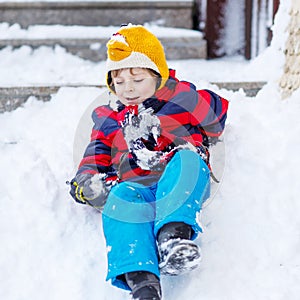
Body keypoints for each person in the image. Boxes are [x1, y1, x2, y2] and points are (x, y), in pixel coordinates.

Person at [69, 24, 229, 300]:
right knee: (120, 197)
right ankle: (142, 282)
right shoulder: (108, 118)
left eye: (138, 80)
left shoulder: (180, 98)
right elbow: (93, 158)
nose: (128, 90)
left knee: (189, 160)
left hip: (176, 176)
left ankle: (173, 238)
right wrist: (86, 183)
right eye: (119, 82)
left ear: (158, 75)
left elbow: (215, 118)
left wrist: (176, 99)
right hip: (135, 186)